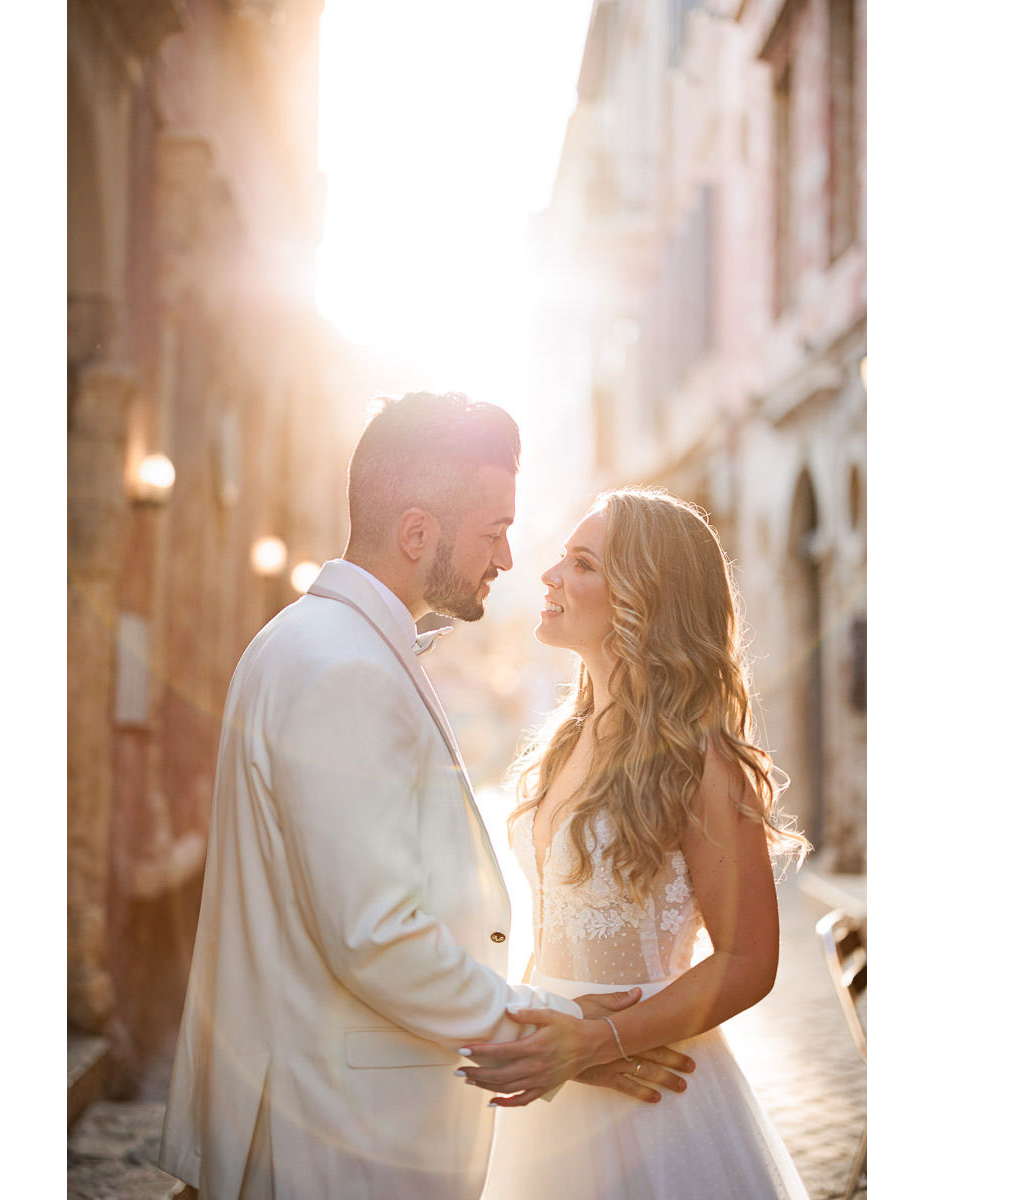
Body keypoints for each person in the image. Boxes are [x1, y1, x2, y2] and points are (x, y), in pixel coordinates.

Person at [158, 396, 695, 1200]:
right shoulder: (345, 670)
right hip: (341, 1141)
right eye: (493, 530)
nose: (511, 558)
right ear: (417, 533)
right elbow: (375, 936)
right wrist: (559, 1032)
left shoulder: (314, 642)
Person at [457, 486, 812, 1199]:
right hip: (559, 1084)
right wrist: (550, 1035)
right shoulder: (561, 742)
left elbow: (749, 960)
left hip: (654, 1096)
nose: (550, 576)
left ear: (643, 601)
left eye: (582, 563)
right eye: (563, 558)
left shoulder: (700, 759)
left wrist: (599, 1043)